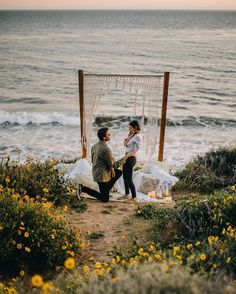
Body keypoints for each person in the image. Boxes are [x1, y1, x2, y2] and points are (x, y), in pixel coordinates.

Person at [78, 127, 134, 203]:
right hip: (101, 177)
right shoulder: (105, 149)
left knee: (118, 172)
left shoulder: (95, 146)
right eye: (108, 134)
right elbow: (114, 165)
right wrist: (127, 156)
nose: (110, 134)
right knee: (104, 199)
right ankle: (83, 188)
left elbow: (97, 161)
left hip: (96, 172)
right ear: (104, 138)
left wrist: (111, 169)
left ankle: (106, 189)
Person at [118, 120, 141, 201]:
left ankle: (134, 196)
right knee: (125, 177)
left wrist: (124, 159)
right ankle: (126, 194)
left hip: (130, 158)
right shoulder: (132, 135)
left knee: (129, 178)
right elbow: (125, 144)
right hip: (127, 156)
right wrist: (129, 136)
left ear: (135, 127)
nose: (129, 129)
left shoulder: (137, 137)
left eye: (130, 127)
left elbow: (133, 151)